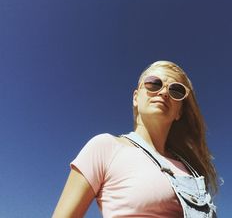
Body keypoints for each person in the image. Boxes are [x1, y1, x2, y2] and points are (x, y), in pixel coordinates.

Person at [53, 60, 218, 218]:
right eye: (154, 83)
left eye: (176, 90)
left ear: (179, 112)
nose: (164, 92)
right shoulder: (105, 147)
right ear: (135, 98)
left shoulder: (191, 170)